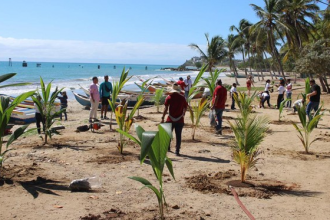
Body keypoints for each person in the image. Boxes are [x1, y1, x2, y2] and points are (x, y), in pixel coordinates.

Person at [161, 84, 187, 156]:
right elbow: (185, 107)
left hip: (170, 119)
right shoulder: (182, 98)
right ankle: (177, 150)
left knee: (168, 134)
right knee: (178, 135)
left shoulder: (169, 97)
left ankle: (168, 148)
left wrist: (163, 117)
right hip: (180, 119)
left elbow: (165, 109)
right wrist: (183, 113)